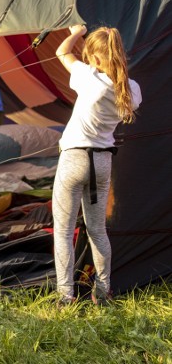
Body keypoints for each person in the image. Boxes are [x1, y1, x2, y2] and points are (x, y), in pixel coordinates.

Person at [52, 24, 141, 307]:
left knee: (64, 230)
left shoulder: (87, 76)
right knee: (97, 230)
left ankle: (66, 296)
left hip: (74, 159)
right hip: (101, 163)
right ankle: (103, 292)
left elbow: (62, 51)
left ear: (95, 56)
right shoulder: (131, 89)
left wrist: (76, 32)